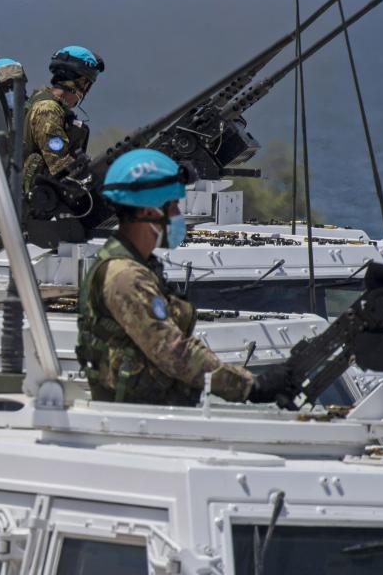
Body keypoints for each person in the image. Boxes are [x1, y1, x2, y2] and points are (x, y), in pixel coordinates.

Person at [76, 148, 289, 405]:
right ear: (149, 211)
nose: (178, 216)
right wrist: (250, 387)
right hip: (135, 418)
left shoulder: (139, 266)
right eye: (174, 206)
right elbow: (173, 351)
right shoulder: (125, 276)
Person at [21, 45, 103, 196]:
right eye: (87, 84)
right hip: (38, 199)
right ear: (82, 82)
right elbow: (59, 165)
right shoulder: (48, 109)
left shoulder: (48, 104)